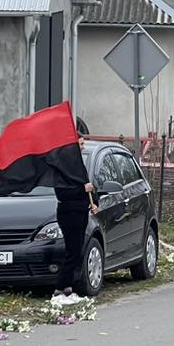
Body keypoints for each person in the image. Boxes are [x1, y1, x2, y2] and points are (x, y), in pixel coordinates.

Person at [53, 127, 97, 296]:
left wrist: (95, 201)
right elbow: (62, 193)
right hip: (69, 213)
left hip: (81, 212)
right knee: (72, 250)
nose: (83, 147)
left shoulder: (79, 166)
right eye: (81, 144)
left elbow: (89, 188)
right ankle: (60, 287)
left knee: (78, 250)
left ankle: (68, 286)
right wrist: (82, 189)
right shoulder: (62, 168)